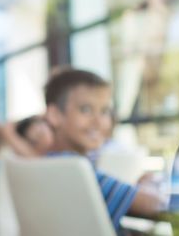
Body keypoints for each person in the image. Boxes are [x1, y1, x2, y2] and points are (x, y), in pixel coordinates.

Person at [44, 68, 164, 231]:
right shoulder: (74, 172)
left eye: (105, 111)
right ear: (54, 115)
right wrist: (147, 182)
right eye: (85, 109)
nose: (99, 122)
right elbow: (154, 204)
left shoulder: (48, 164)